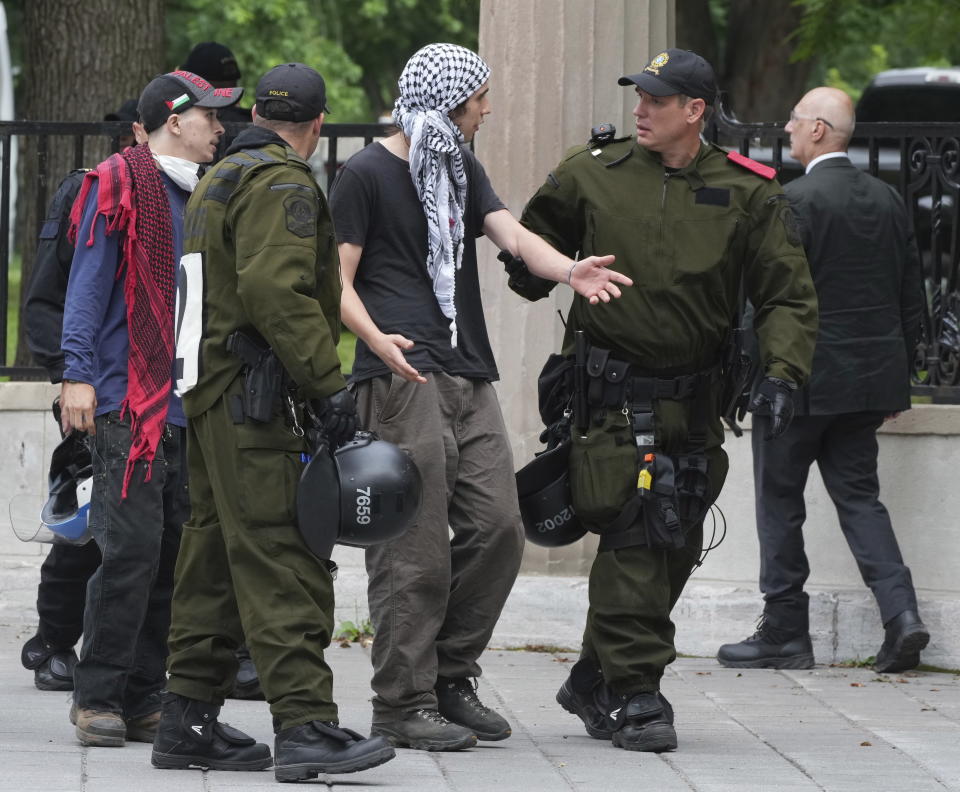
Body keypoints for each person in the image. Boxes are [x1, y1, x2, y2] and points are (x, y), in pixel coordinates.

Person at [329, 42, 630, 752]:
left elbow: (513, 235)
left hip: (468, 369)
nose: (487, 111)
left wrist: (569, 271)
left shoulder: (458, 167)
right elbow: (334, 281)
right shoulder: (365, 174)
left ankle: (449, 676)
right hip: (402, 377)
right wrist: (375, 340)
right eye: (480, 100)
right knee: (416, 549)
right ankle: (401, 701)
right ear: (448, 100)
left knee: (500, 528)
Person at [519, 48, 818, 753]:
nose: (639, 109)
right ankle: (637, 693)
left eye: (656, 99)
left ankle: (593, 675)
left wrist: (782, 373)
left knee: (673, 543)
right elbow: (533, 240)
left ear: (695, 110)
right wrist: (540, 270)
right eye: (638, 97)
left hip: (696, 402)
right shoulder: (594, 172)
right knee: (635, 536)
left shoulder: (749, 192)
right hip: (612, 397)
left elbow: (786, 293)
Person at [153, 63, 395, 780]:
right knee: (280, 555)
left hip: (206, 397)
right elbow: (273, 290)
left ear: (255, 111)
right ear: (317, 127)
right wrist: (328, 390)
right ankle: (306, 726)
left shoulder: (219, 178)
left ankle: (187, 721)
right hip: (252, 402)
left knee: (213, 558)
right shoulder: (283, 180)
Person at [717, 87, 928, 673]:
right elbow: (911, 298)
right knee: (862, 501)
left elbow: (767, 299)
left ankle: (785, 631)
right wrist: (896, 382)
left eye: (792, 120)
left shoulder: (795, 200)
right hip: (866, 388)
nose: (785, 128)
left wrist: (752, 375)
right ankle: (902, 616)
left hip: (799, 385)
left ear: (816, 131)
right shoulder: (888, 199)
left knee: (779, 504)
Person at [60, 70, 242, 747]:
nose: (220, 130)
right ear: (172, 119)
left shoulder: (208, 196)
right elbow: (85, 287)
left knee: (174, 557)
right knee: (131, 551)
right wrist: (76, 376)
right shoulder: (115, 184)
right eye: (210, 117)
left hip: (190, 405)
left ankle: (143, 695)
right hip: (125, 403)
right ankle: (97, 695)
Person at [20, 98, 139, 692]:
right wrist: (70, 377)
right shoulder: (85, 191)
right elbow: (48, 292)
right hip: (90, 386)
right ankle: (54, 642)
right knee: (85, 520)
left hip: (144, 389)